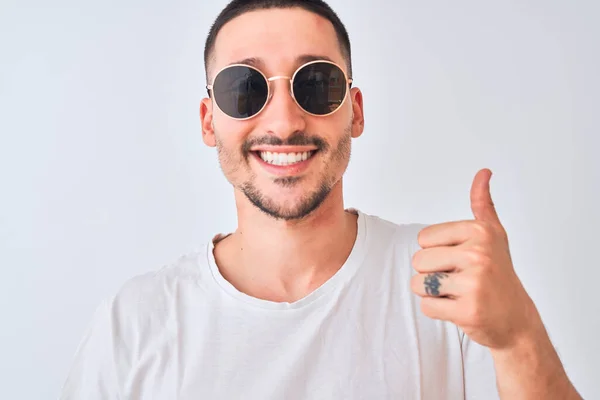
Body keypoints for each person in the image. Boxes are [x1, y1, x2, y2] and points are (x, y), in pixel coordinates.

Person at [60, 0, 582, 399]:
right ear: (207, 120)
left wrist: (519, 338)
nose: (285, 122)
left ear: (354, 110)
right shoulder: (134, 323)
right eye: (245, 88)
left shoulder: (445, 284)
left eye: (316, 83)